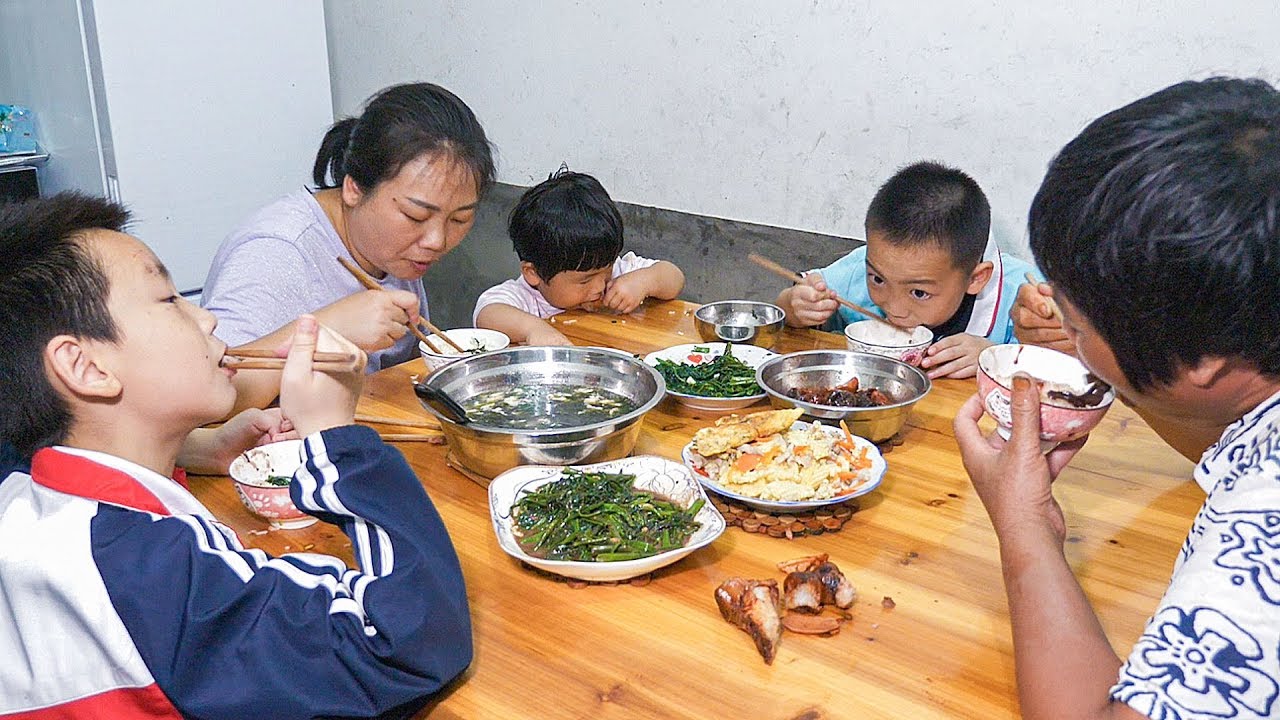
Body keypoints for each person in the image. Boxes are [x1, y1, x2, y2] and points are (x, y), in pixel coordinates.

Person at [0, 194, 471, 718]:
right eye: (169, 299)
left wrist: (196, 448)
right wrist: (337, 437)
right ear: (85, 366)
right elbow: (411, 642)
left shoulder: (24, 498)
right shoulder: (151, 570)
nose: (204, 319)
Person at [954, 77, 1280, 720]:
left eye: (1076, 320)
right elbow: (1229, 423)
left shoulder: (1265, 529)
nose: (1057, 319)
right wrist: (1112, 353)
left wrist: (1022, 525)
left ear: (1204, 360)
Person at [202, 82, 495, 411]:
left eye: (459, 220)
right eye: (416, 216)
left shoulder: (391, 246)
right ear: (354, 188)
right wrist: (328, 326)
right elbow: (207, 392)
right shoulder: (277, 249)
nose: (437, 241)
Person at [776, 161, 1042, 379]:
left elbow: (1066, 370)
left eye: (918, 292)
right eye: (878, 279)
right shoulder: (865, 267)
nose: (895, 308)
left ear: (976, 278)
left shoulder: (1026, 297)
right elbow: (792, 304)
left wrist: (997, 358)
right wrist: (795, 307)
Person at [473, 168, 685, 346]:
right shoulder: (525, 298)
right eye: (585, 280)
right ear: (533, 273)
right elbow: (487, 314)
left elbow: (674, 277)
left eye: (607, 270)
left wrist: (645, 281)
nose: (599, 287)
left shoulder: (616, 274)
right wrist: (534, 330)